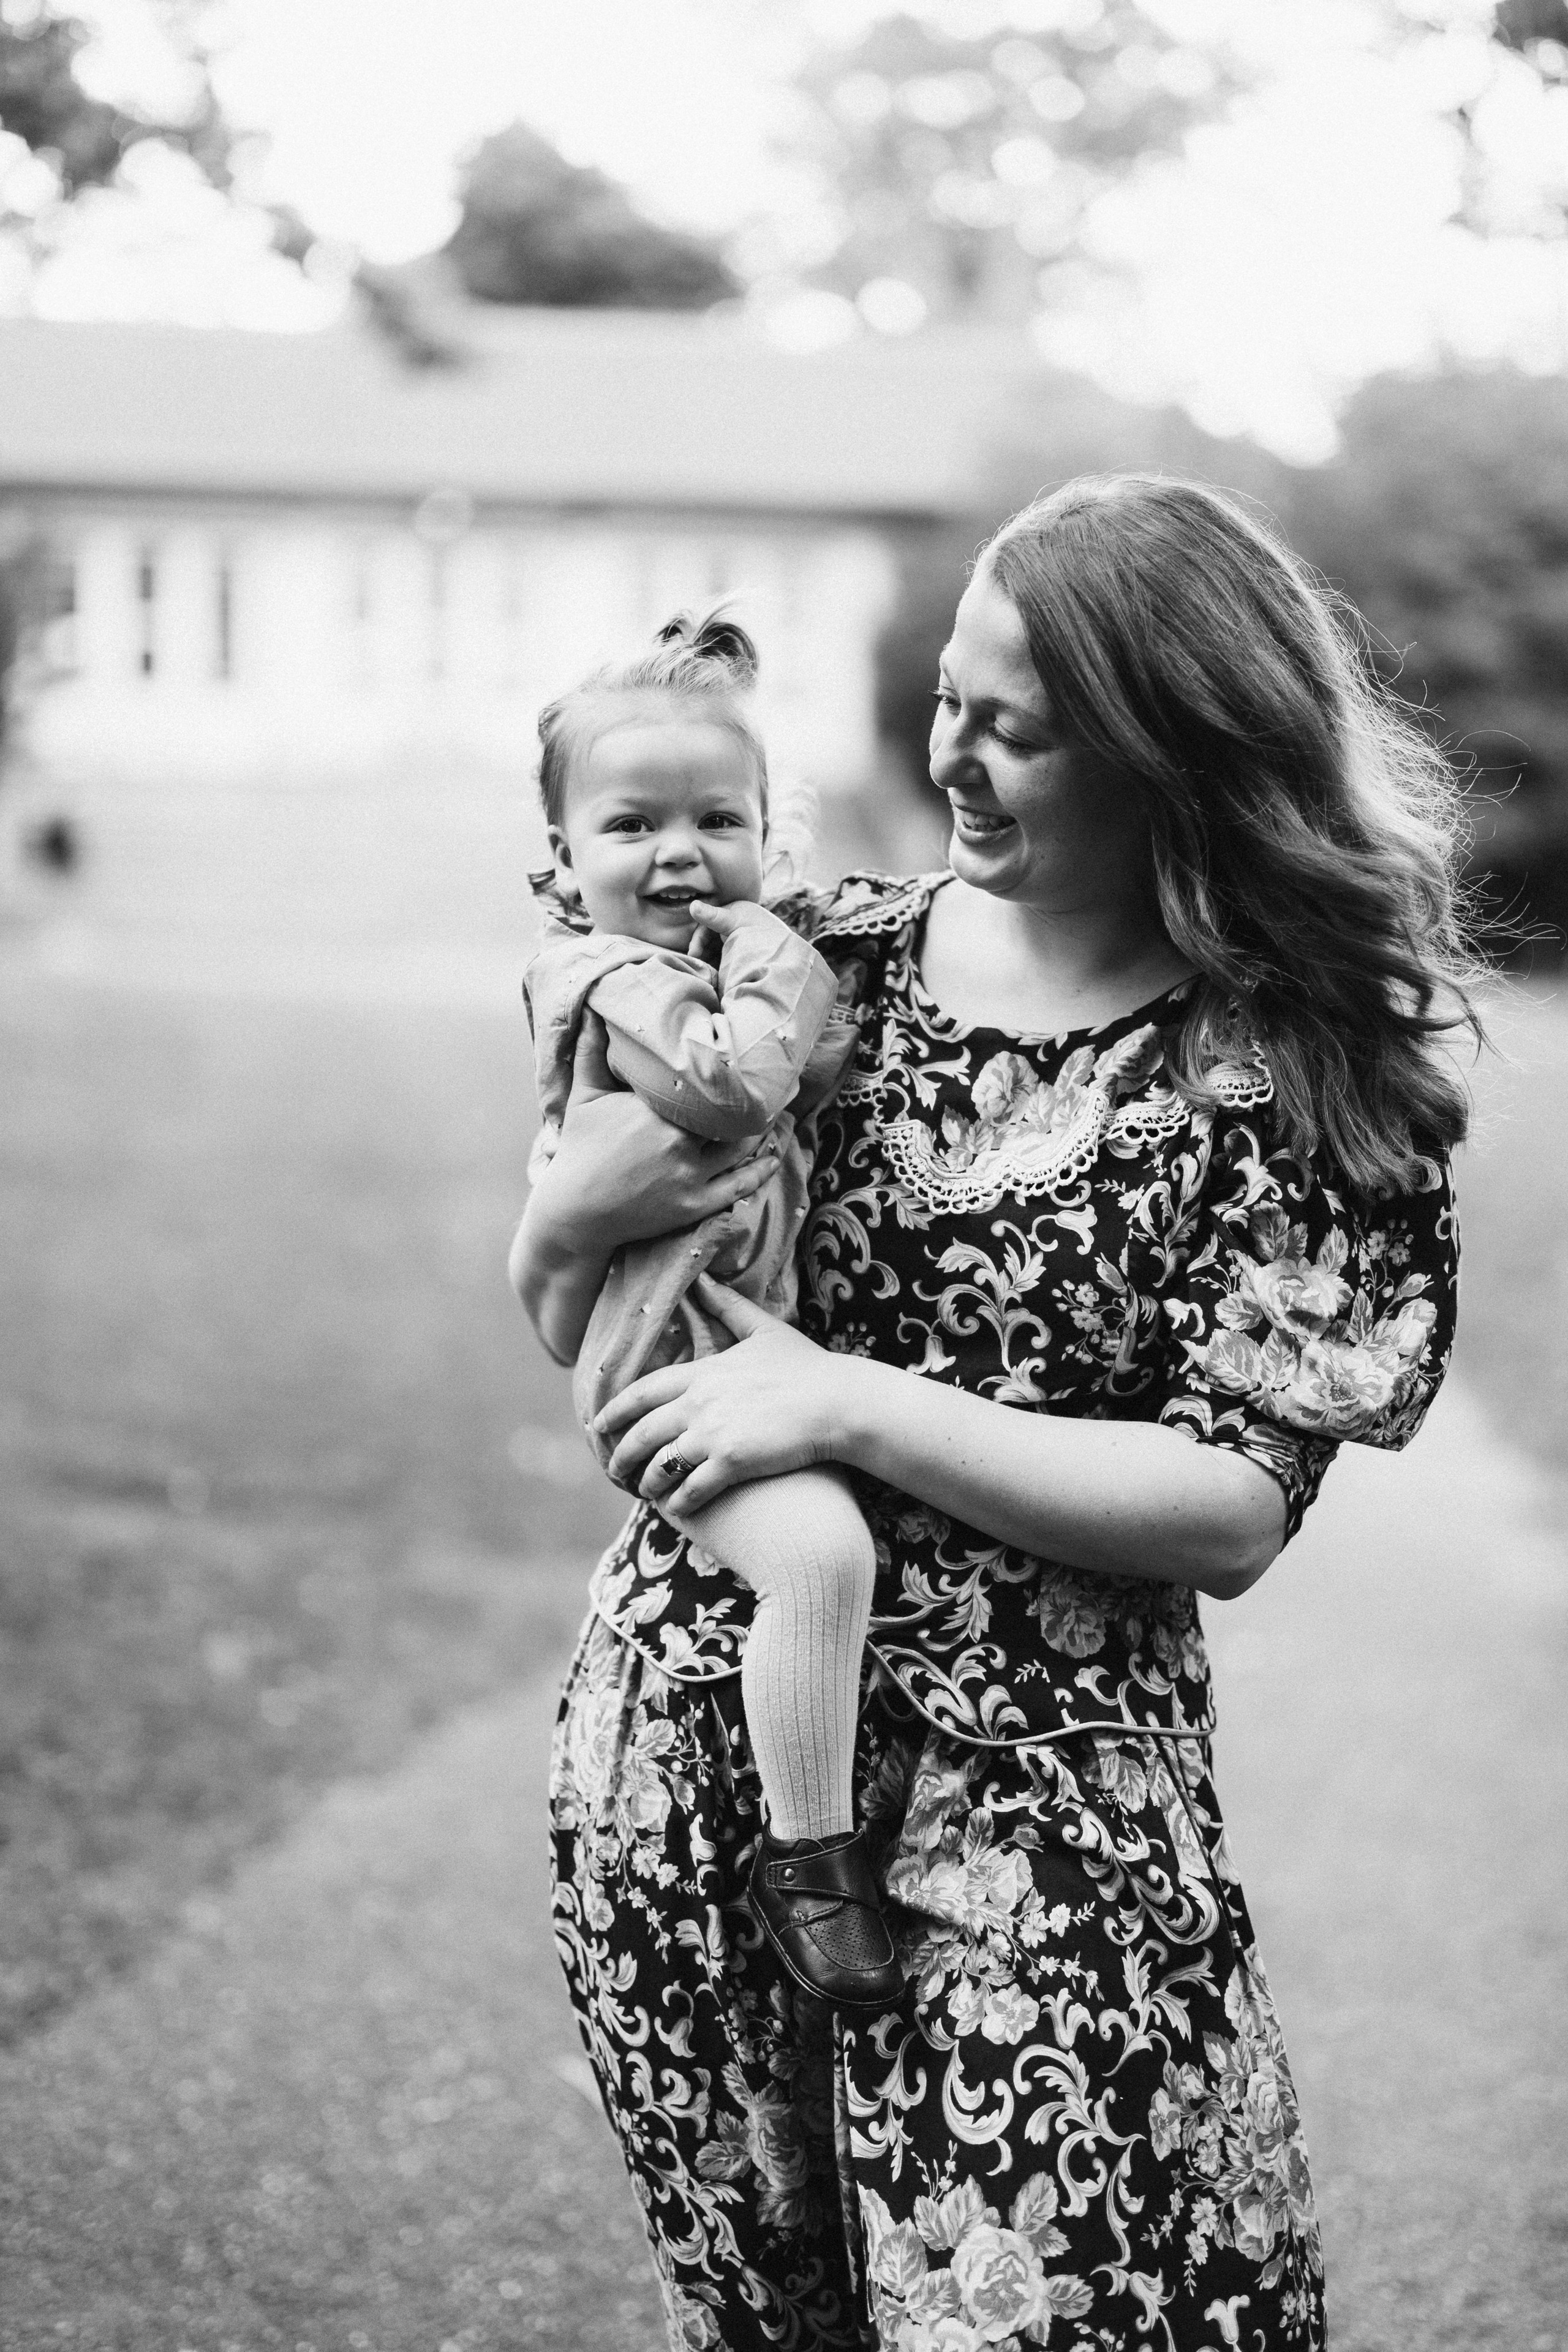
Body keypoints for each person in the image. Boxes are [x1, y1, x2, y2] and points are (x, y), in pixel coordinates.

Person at [513, 476, 1473, 2352]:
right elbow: (582, 1295)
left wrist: (853, 1404)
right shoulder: (816, 967)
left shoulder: (1283, 1064)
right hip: (690, 1772)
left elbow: (1230, 1507)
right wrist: (556, 1217)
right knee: (778, 2321)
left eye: (1012, 724)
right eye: (947, 696)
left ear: (1160, 745)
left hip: (1051, 1809)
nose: (949, 752)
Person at [520, 608, 902, 2009]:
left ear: (765, 829)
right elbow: (740, 1084)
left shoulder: (692, 965)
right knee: (820, 1564)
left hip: (716, 1337)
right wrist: (779, 960)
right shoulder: (619, 979)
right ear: (562, 867)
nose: (679, 854)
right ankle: (809, 1859)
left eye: (716, 820)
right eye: (630, 826)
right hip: (667, 1365)